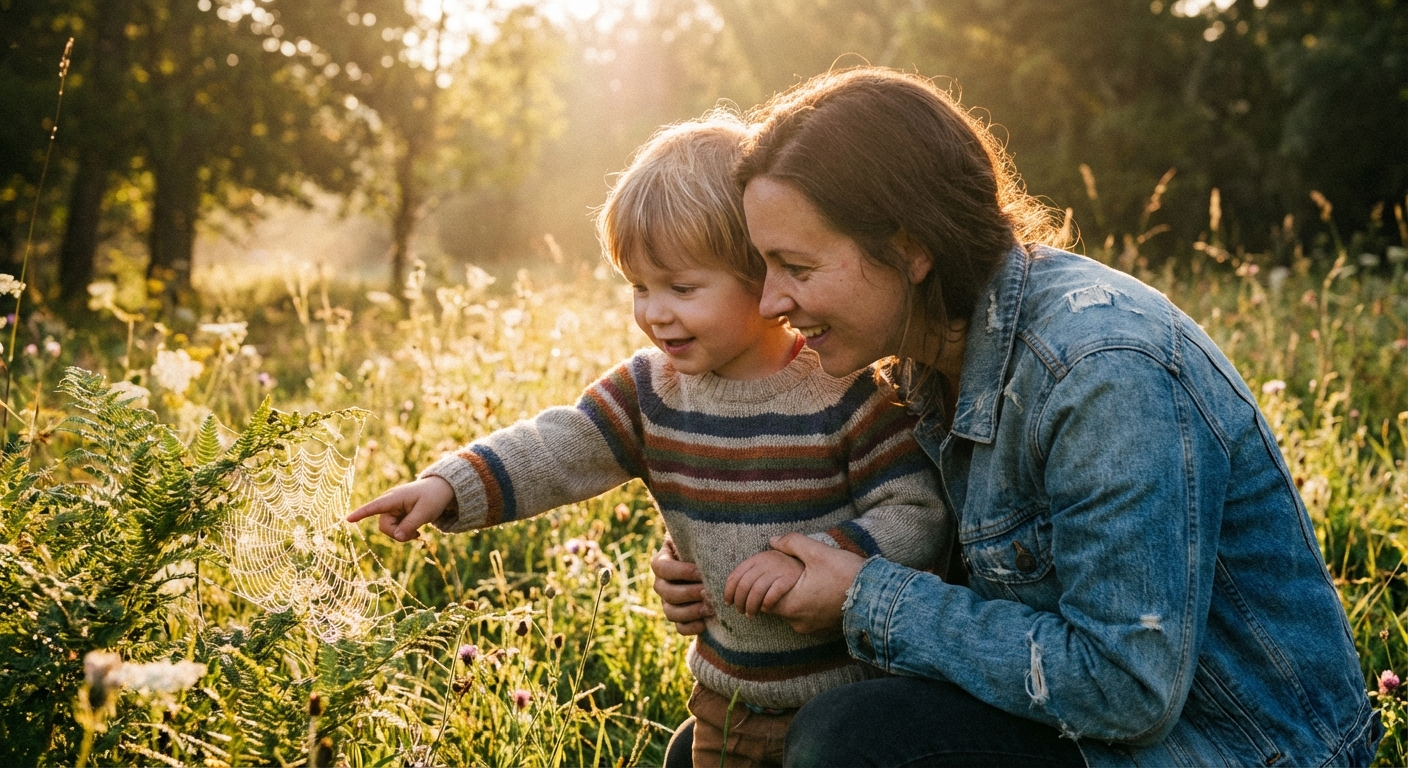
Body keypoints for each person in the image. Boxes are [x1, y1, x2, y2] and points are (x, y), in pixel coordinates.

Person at [652, 67, 1382, 767]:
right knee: (710, 751)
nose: (771, 301)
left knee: (849, 739)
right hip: (1096, 721)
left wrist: (865, 598)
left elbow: (1127, 688)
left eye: (798, 268)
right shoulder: (919, 354)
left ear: (909, 249)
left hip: (1234, 744)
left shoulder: (1101, 374)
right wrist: (726, 565)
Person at [346, 113, 954, 768]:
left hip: (850, 697)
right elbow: (561, 443)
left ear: (764, 275)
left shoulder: (844, 390)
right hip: (727, 698)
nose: (655, 312)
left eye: (682, 288)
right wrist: (447, 484)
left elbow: (916, 515)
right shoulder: (652, 391)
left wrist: (816, 560)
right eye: (640, 287)